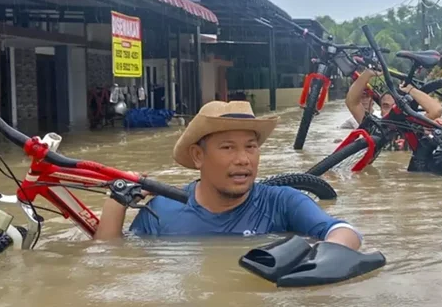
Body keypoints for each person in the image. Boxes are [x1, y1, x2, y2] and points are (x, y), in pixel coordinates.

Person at [95, 100, 362, 251]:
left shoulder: (282, 202)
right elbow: (113, 263)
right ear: (198, 156)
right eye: (227, 147)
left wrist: (319, 261)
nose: (243, 159)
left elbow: (343, 231)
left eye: (251, 146)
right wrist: (116, 203)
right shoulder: (161, 211)